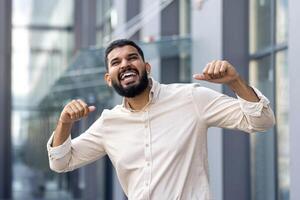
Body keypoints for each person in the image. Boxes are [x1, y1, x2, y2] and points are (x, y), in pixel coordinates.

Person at [47, 39, 275, 200]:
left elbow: (262, 121)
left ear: (146, 67)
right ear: (109, 79)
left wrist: (235, 82)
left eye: (132, 58)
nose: (125, 64)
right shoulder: (109, 124)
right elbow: (61, 161)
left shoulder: (190, 97)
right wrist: (64, 123)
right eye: (116, 62)